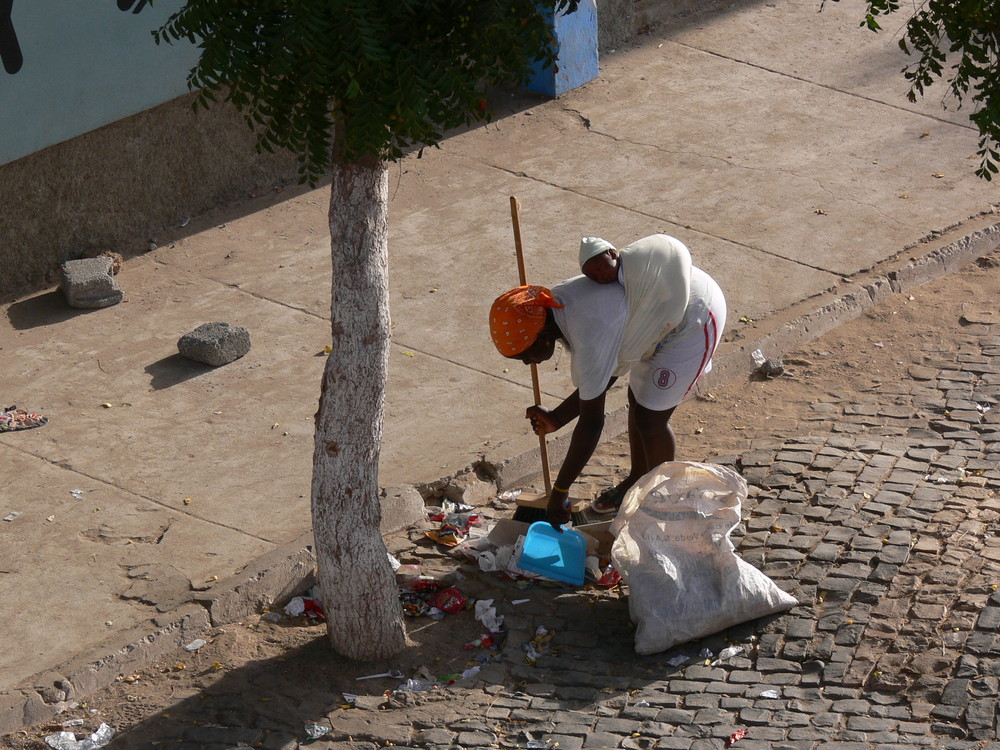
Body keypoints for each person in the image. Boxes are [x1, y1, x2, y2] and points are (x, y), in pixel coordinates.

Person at [488, 234, 726, 528]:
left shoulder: (588, 333)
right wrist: (557, 418)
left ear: (542, 335)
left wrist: (560, 491)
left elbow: (592, 422)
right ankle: (638, 479)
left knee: (650, 418)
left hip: (694, 316)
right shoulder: (556, 304)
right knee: (637, 402)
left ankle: (666, 501)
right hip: (656, 315)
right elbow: (600, 377)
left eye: (525, 354)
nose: (528, 363)